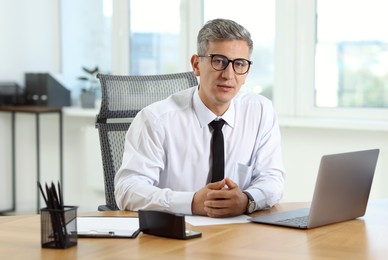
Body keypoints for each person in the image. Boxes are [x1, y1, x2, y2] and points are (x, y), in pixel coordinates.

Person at [115, 18, 285, 218]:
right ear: (196, 64)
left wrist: (247, 200)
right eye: (219, 61)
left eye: (239, 64)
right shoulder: (155, 119)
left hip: (238, 235)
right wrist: (192, 202)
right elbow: (127, 189)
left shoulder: (260, 112)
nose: (229, 74)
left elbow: (272, 178)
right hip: (175, 237)